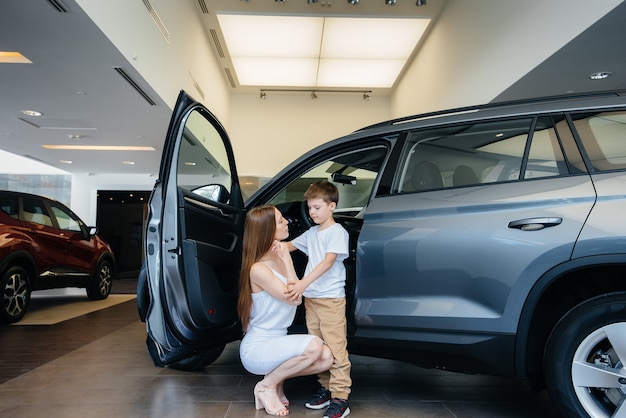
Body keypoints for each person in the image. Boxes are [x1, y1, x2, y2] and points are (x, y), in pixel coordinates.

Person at [238, 205, 334, 417]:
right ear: (267, 230)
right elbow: (294, 299)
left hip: (277, 341)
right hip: (258, 348)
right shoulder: (258, 269)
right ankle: (266, 386)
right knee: (315, 346)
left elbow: (295, 292)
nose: (287, 223)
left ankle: (274, 382)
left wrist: (284, 258)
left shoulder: (276, 259)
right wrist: (288, 260)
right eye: (281, 221)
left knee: (326, 358)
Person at [285, 180, 352, 418]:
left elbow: (327, 262)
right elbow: (288, 247)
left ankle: (340, 397)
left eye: (317, 207)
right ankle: (325, 388)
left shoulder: (337, 232)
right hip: (312, 300)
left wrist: (302, 283)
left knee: (336, 349)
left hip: (331, 300)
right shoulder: (312, 233)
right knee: (320, 348)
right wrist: (269, 243)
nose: (312, 212)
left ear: (332, 206)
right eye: (310, 208)